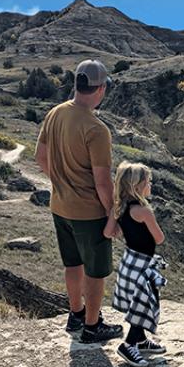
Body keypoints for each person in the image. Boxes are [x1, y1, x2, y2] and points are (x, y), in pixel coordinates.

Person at [35, 59, 123, 344]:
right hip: (89, 214)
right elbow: (101, 181)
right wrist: (113, 213)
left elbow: (40, 156)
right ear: (101, 90)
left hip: (60, 207)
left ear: (77, 85)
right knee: (95, 272)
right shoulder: (97, 130)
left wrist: (60, 183)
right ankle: (92, 326)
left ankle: (75, 314)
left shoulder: (55, 113)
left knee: (72, 264)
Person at [104, 162, 167, 367]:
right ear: (137, 186)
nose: (150, 185)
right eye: (148, 182)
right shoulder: (144, 211)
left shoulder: (119, 207)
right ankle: (128, 345)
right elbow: (159, 238)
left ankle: (140, 340)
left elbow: (108, 232)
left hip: (129, 261)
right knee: (142, 305)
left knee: (139, 302)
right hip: (142, 264)